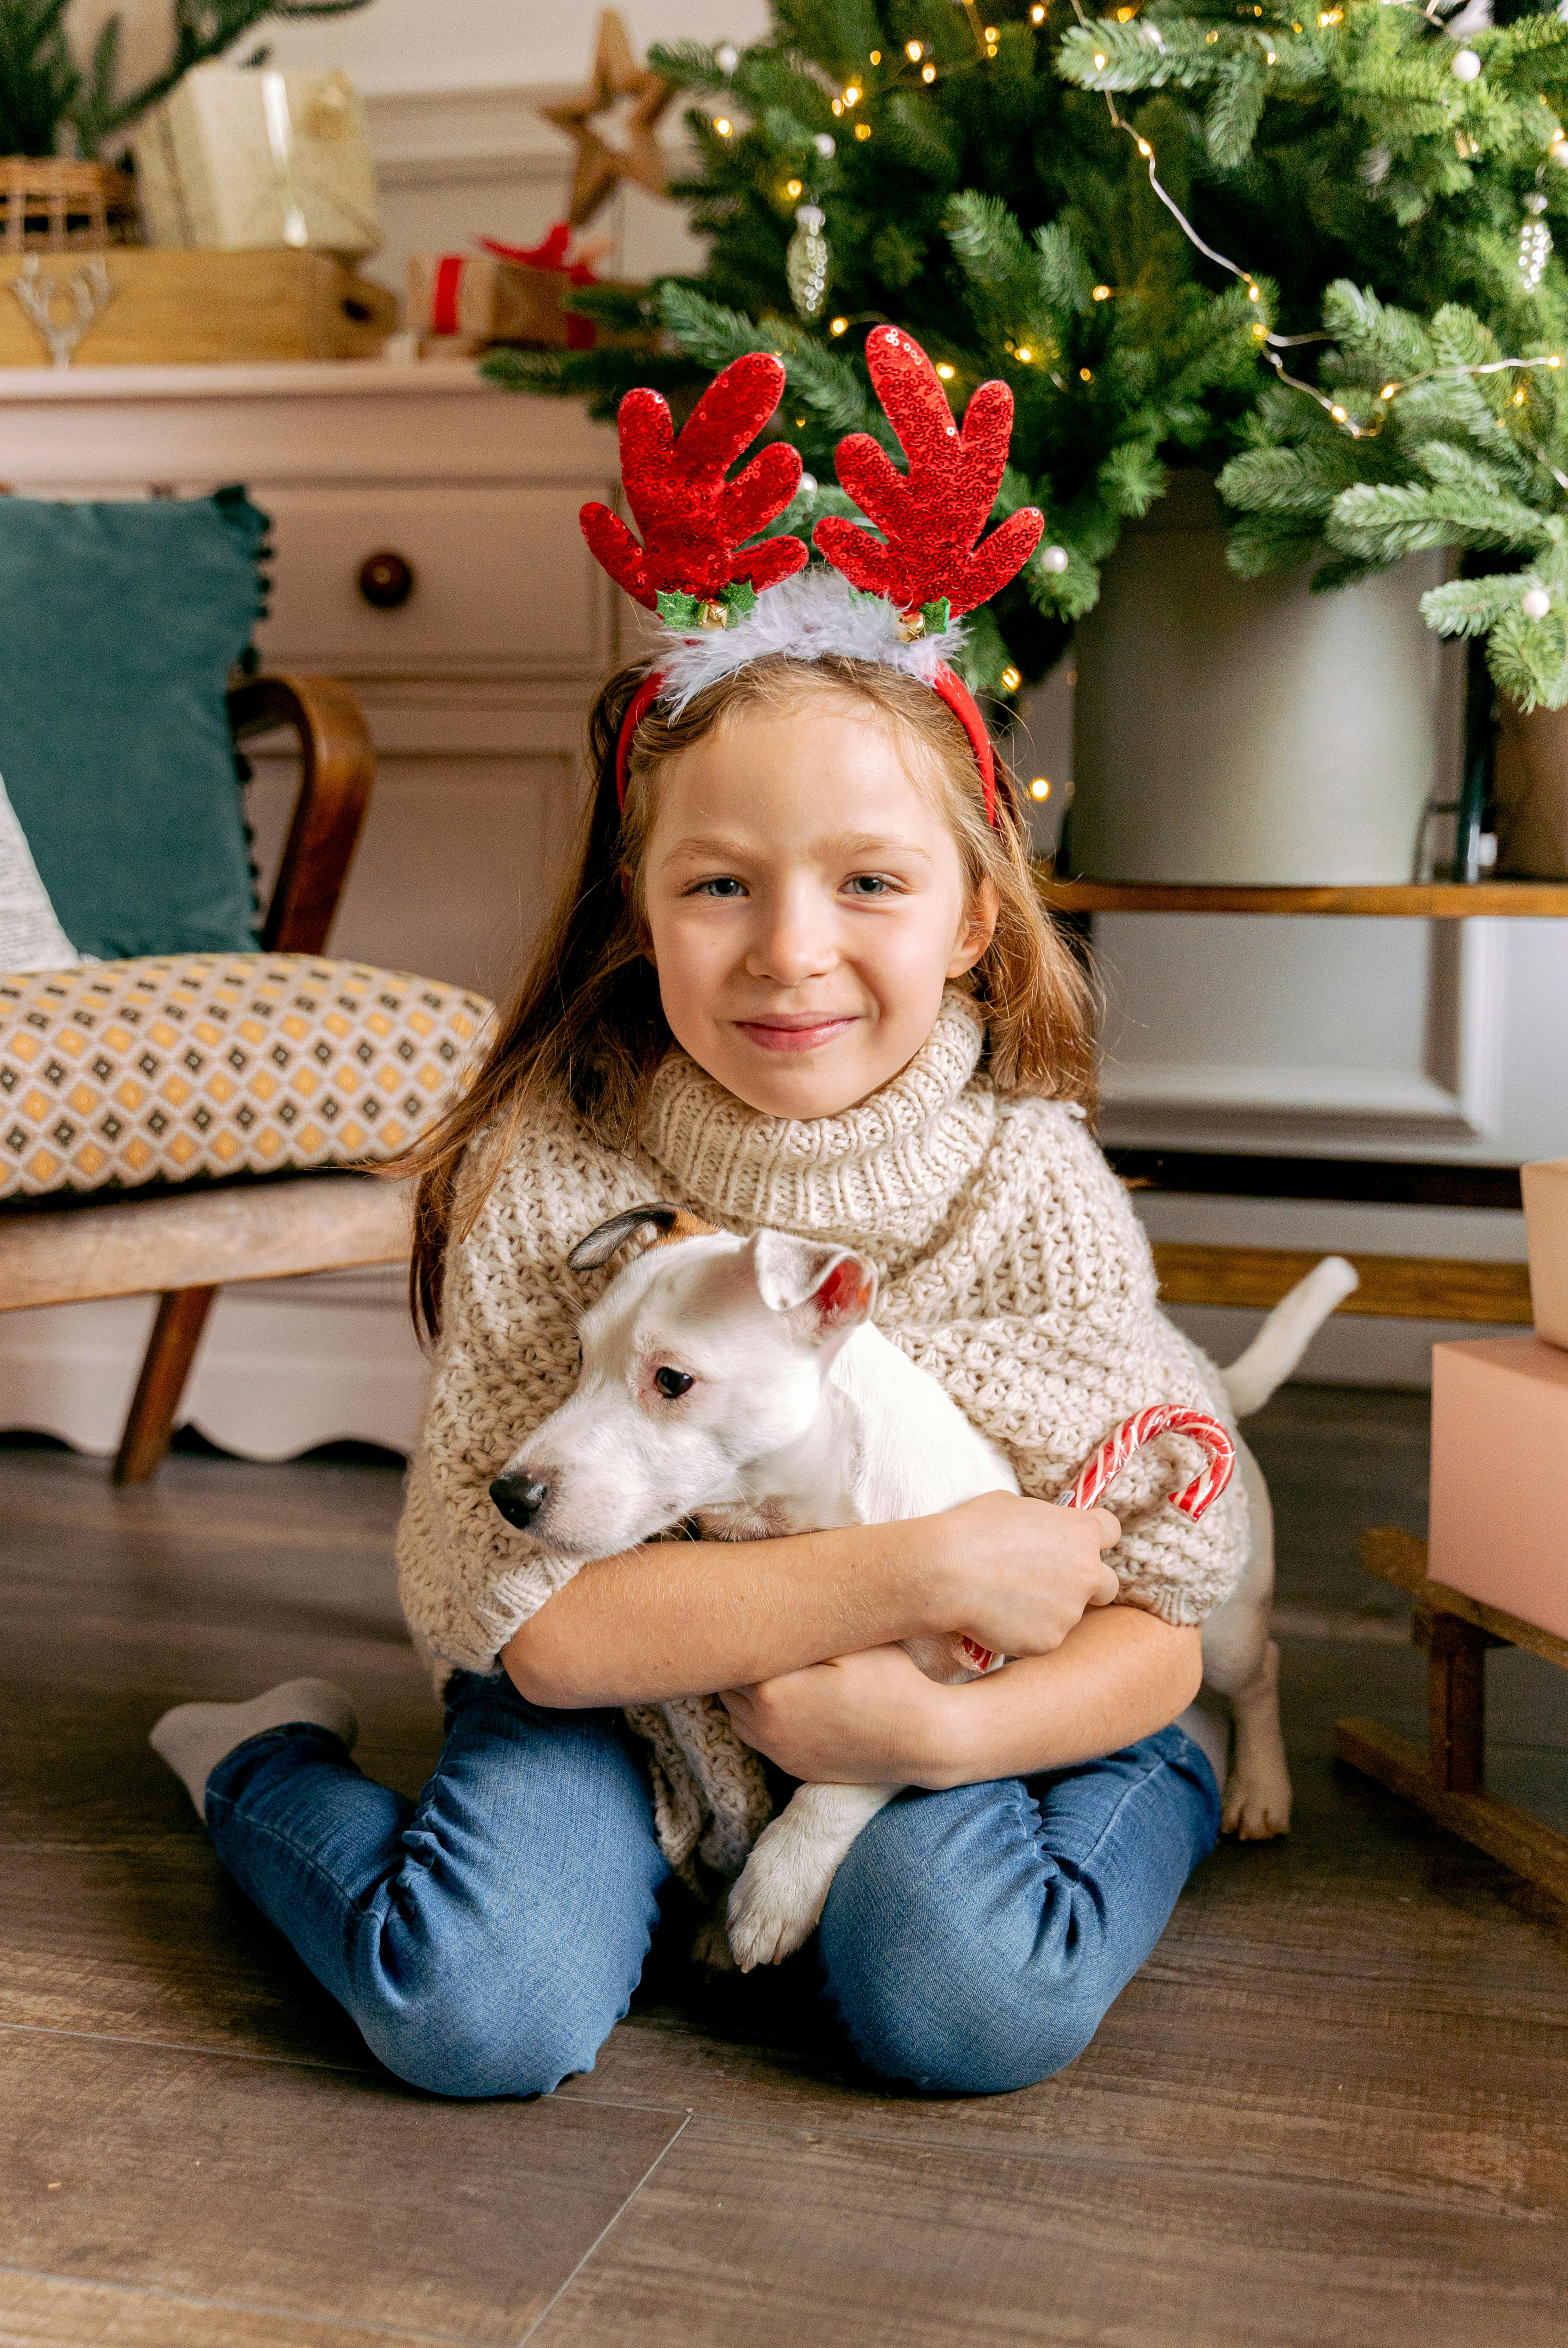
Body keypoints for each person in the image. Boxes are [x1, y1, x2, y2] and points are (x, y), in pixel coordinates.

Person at [150, 334, 1245, 2101]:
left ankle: (1150, 1801)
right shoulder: (555, 1171)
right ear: (638, 907)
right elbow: (528, 1613)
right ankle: (265, 1770)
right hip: (614, 1703)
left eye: (869, 884)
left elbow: (1162, 1610)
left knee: (968, 2004)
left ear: (970, 915)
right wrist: (910, 1571)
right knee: (472, 2010)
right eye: (719, 885)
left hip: (925, 1713)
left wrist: (944, 1722)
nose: (791, 951)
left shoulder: (1025, 1183)